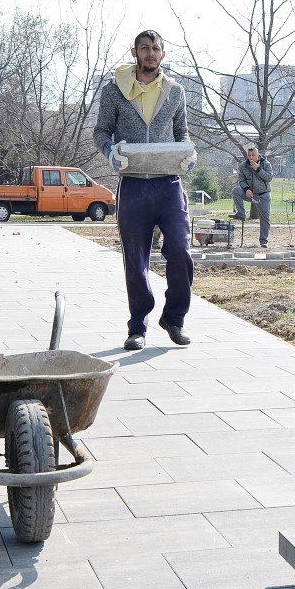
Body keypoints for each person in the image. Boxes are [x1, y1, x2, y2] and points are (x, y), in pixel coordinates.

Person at [93, 29, 194, 349]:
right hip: (134, 183)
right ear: (134, 52)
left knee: (180, 250)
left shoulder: (175, 91)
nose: (151, 53)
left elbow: (182, 133)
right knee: (135, 260)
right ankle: (137, 327)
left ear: (163, 54)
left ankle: (174, 318)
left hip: (169, 184)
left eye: (156, 48)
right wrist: (110, 151)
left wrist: (188, 154)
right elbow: (101, 131)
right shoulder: (114, 91)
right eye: (145, 48)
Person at [231, 145, 274, 248]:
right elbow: (241, 180)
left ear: (258, 155)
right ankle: (241, 213)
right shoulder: (243, 166)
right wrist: (246, 189)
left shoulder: (266, 164)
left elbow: (269, 177)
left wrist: (258, 169)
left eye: (253, 155)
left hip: (263, 195)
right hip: (250, 194)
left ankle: (263, 241)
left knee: (265, 219)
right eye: (249, 155)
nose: (251, 157)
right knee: (236, 191)